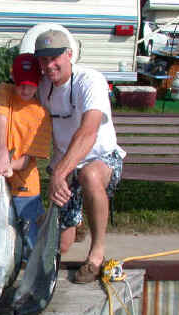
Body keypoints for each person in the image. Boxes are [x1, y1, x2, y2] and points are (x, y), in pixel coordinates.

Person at [34, 29, 126, 283]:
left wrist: (59, 173)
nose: (49, 65)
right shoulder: (43, 86)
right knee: (63, 245)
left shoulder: (90, 80)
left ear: (69, 54)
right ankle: (77, 223)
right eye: (43, 60)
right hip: (66, 165)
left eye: (55, 58)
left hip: (102, 158)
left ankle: (96, 254)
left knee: (89, 175)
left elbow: (88, 132)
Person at [0, 53, 52, 252]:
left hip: (25, 188)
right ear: (13, 76)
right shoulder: (3, 91)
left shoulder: (42, 114)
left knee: (30, 243)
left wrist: (5, 165)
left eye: (31, 84)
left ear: (39, 81)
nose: (25, 89)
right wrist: (2, 154)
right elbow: (1, 118)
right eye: (21, 83)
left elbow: (27, 160)